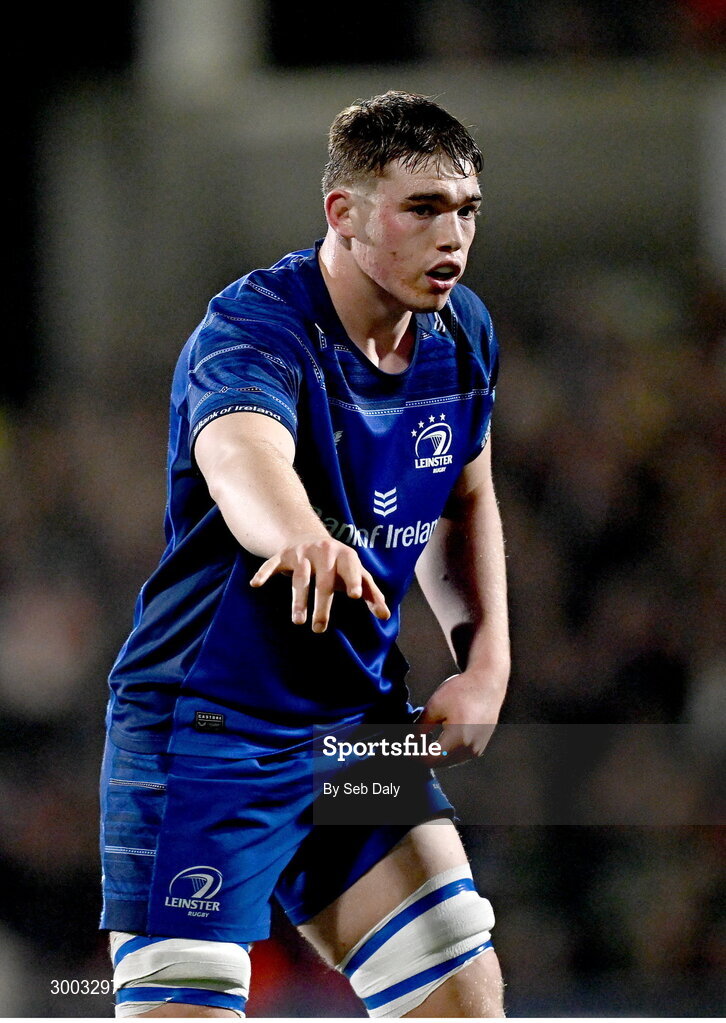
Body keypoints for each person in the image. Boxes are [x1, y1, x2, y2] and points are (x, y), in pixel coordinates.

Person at [100, 91, 510, 1018]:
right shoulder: (252, 328)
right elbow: (241, 450)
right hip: (206, 735)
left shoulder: (463, 334)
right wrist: (299, 536)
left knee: (460, 990)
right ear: (346, 213)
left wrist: (485, 663)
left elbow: (467, 495)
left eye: (467, 209)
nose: (453, 236)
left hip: (354, 732)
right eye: (423, 209)